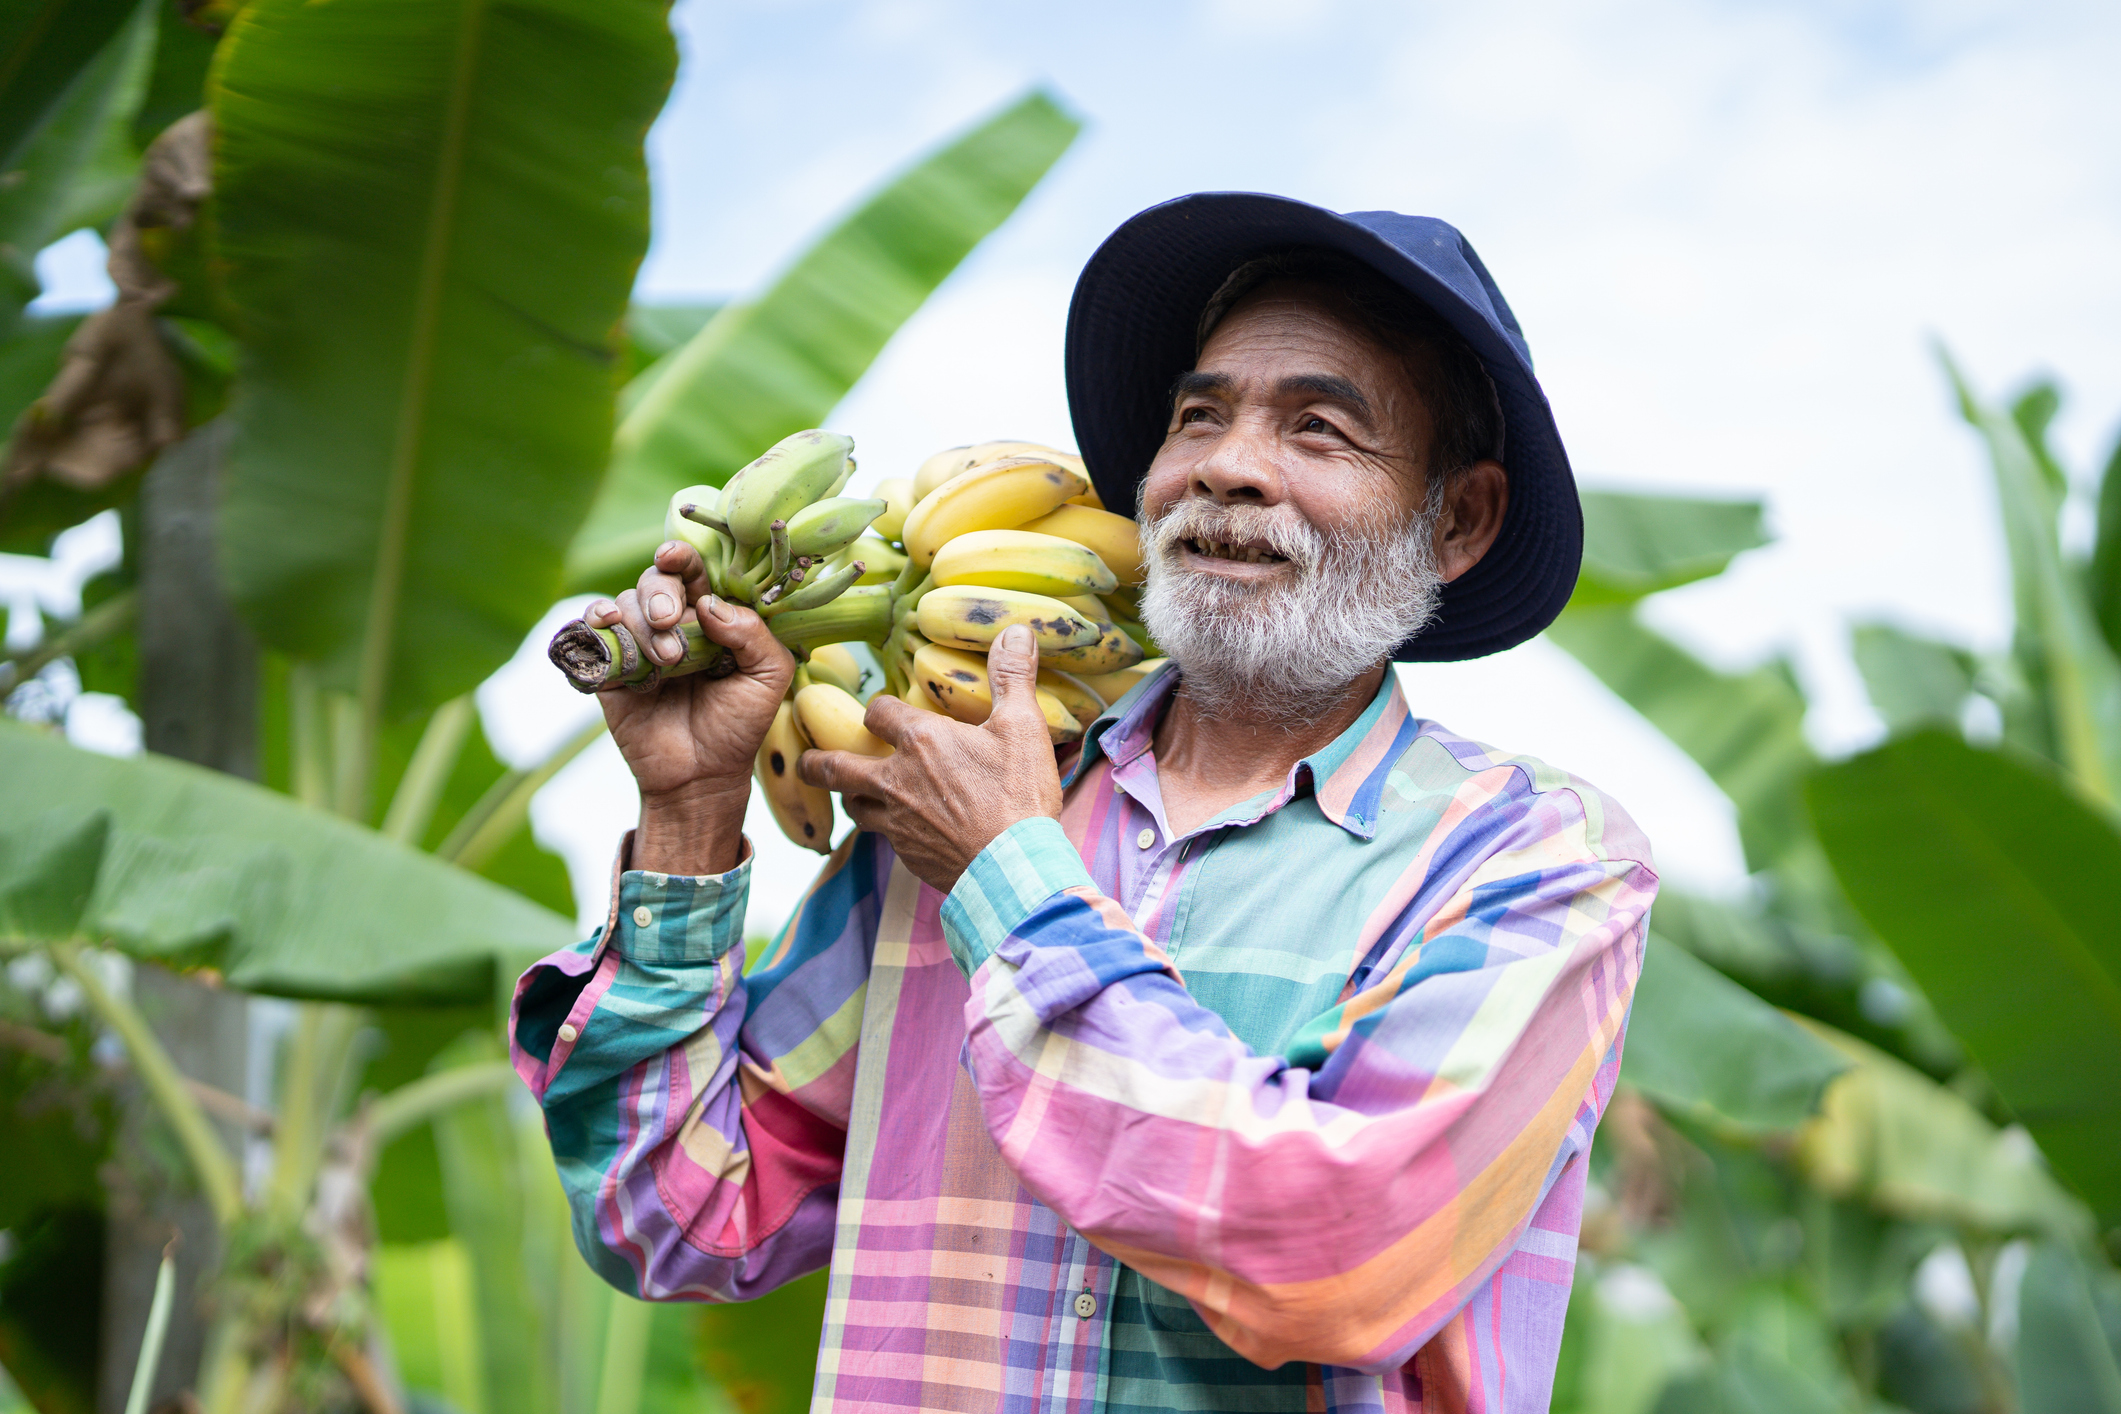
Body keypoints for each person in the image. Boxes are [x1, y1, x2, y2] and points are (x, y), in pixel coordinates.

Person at [511, 193, 1657, 1414]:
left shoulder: (1531, 859)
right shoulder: (951, 810)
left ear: (1461, 519)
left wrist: (1010, 884)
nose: (1225, 463)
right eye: (1197, 415)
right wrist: (689, 809)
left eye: (1319, 428)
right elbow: (671, 1217)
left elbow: (1340, 1256)